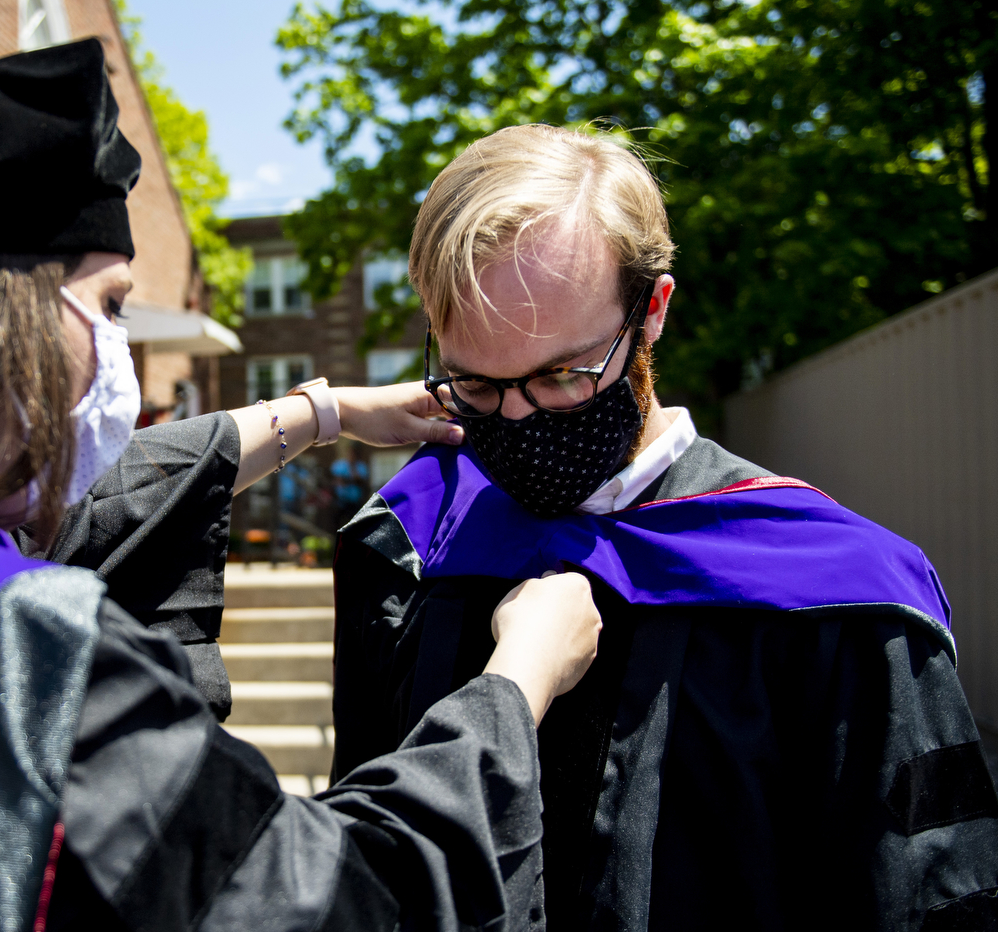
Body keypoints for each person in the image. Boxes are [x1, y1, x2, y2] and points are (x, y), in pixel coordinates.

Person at [0, 42, 604, 932]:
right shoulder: (9, 650)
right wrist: (513, 684)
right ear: (0, 325)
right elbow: (329, 899)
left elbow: (117, 502)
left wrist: (326, 410)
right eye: (110, 304)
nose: (120, 356)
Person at [330, 124, 998, 930]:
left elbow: (933, 903)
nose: (516, 414)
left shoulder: (844, 595)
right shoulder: (408, 546)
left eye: (560, 375)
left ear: (652, 311)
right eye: (474, 380)